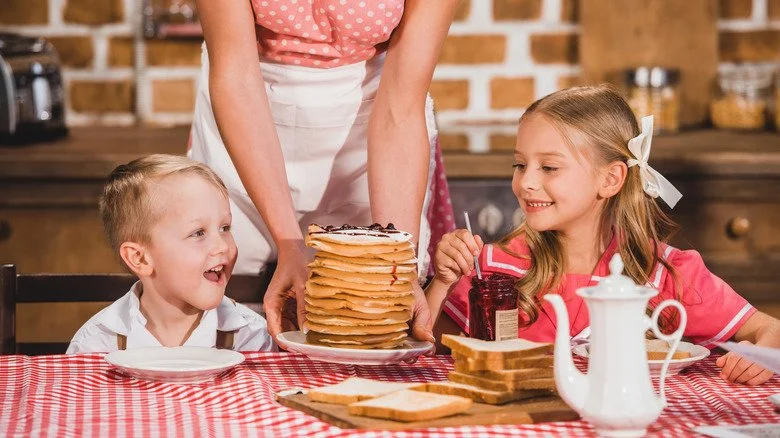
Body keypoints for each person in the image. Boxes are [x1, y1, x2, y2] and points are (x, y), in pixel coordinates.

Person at [426, 86, 780, 385]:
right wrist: (442, 281)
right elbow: (428, 343)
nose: (526, 182)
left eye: (549, 167)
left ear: (610, 179)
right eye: (520, 164)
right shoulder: (497, 269)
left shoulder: (663, 274)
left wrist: (761, 356)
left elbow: (769, 330)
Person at [189, 0, 459, 343]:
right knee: (234, 312)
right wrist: (289, 243)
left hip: (370, 131)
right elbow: (236, 76)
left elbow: (399, 109)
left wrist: (396, 261)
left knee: (367, 307)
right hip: (246, 129)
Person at [67, 155, 275, 353]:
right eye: (198, 233)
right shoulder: (97, 342)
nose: (222, 246)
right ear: (139, 258)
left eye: (225, 228)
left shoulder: (252, 338)